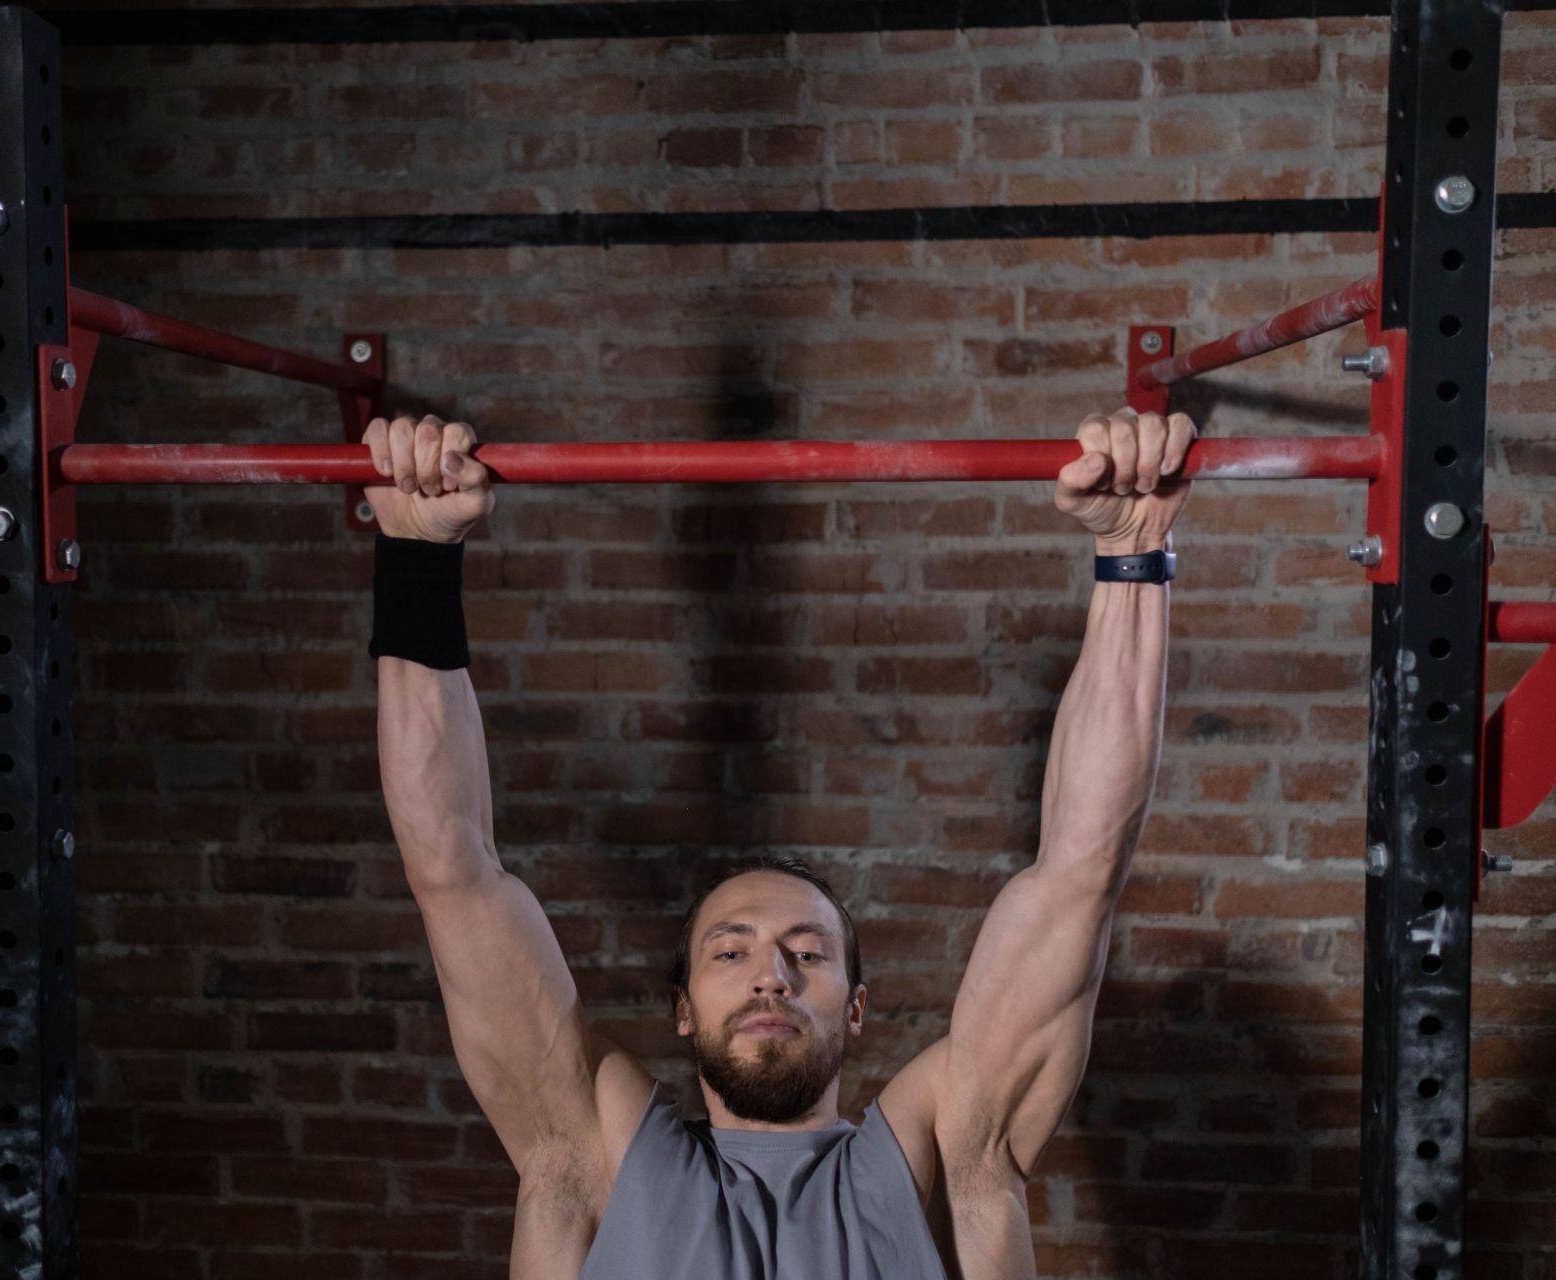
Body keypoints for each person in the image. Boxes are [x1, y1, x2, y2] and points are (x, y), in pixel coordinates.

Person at [361, 406, 1196, 1280]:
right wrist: (415, 556)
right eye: (730, 952)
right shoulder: (591, 1159)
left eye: (807, 951)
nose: (772, 973)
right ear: (682, 1008)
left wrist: (1133, 555)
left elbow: (1080, 874)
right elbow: (452, 873)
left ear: (858, 1009)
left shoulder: (945, 1165)